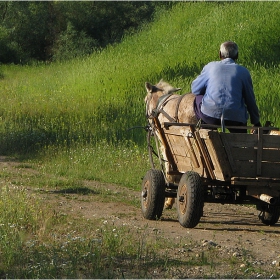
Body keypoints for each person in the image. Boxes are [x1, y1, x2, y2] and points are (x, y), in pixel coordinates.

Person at [192, 41, 261, 133]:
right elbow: (250, 99)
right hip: (235, 118)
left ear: (220, 54)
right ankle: (241, 141)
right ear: (237, 56)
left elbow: (195, 89)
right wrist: (256, 121)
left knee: (198, 97)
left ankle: (206, 129)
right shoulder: (244, 72)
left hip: (210, 116)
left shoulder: (210, 67)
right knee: (240, 131)